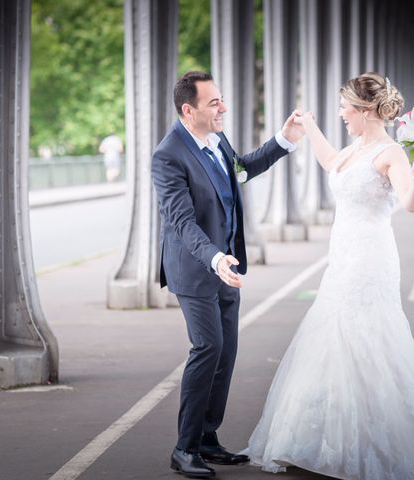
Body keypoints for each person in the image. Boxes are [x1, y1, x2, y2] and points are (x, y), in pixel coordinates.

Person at [244, 73, 414, 479]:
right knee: (331, 333)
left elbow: (410, 203)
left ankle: (369, 439)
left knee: (366, 335)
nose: (341, 114)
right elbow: (330, 162)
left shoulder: (390, 152)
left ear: (363, 111)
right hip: (342, 255)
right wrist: (307, 127)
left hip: (370, 258)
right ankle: (319, 437)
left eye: (345, 108)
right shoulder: (355, 149)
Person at [151, 71, 304, 479]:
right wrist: (215, 258)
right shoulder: (168, 156)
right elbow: (182, 223)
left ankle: (206, 438)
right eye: (213, 103)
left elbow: (241, 171)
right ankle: (183, 448)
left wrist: (283, 140)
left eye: (221, 99)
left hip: (226, 268)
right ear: (189, 110)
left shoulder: (216, 141)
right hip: (197, 268)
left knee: (226, 353)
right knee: (207, 348)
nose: (223, 107)